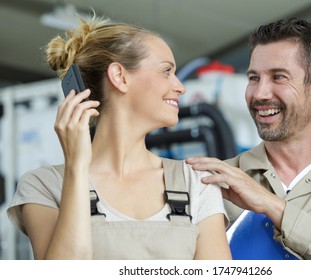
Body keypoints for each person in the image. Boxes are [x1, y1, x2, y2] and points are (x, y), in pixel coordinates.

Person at [7, 15, 231, 260]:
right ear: (120, 77)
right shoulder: (45, 185)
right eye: (166, 71)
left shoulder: (196, 184)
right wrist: (77, 167)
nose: (180, 86)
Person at [186, 18, 311, 259]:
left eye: (278, 77)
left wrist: (275, 208)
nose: (259, 93)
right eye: (253, 78)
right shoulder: (209, 183)